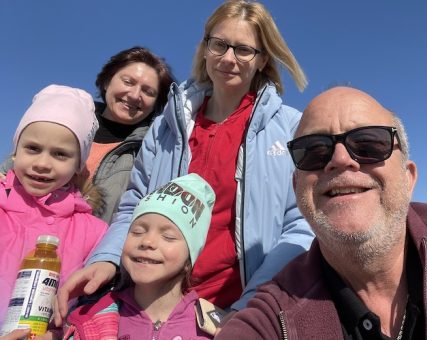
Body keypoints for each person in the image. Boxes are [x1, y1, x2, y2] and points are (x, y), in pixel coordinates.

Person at [56, 0, 314, 326]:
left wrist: (254, 305)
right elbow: (134, 204)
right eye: (219, 44)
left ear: (262, 59)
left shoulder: (292, 128)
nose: (229, 58)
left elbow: (301, 226)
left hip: (237, 308)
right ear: (205, 48)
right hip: (151, 304)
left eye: (244, 50)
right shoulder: (168, 125)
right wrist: (108, 257)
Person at [216, 86, 427, 339]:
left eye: (370, 144)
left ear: (408, 176)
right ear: (297, 186)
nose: (341, 159)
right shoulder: (273, 315)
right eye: (314, 150)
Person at [0, 46, 175, 224]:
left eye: (148, 91)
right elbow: (7, 172)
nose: (135, 95)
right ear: (107, 81)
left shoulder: (152, 153)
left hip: (93, 246)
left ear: (156, 104)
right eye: (128, 82)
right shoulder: (59, 121)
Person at [0, 85, 108, 338]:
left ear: (78, 167)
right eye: (33, 148)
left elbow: (90, 309)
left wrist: (57, 335)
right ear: (16, 151)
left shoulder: (93, 232)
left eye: (60, 155)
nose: (42, 164)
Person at [62, 174, 215, 340]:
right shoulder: (92, 319)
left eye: (168, 236)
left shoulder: (211, 330)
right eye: (137, 231)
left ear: (189, 258)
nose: (147, 241)